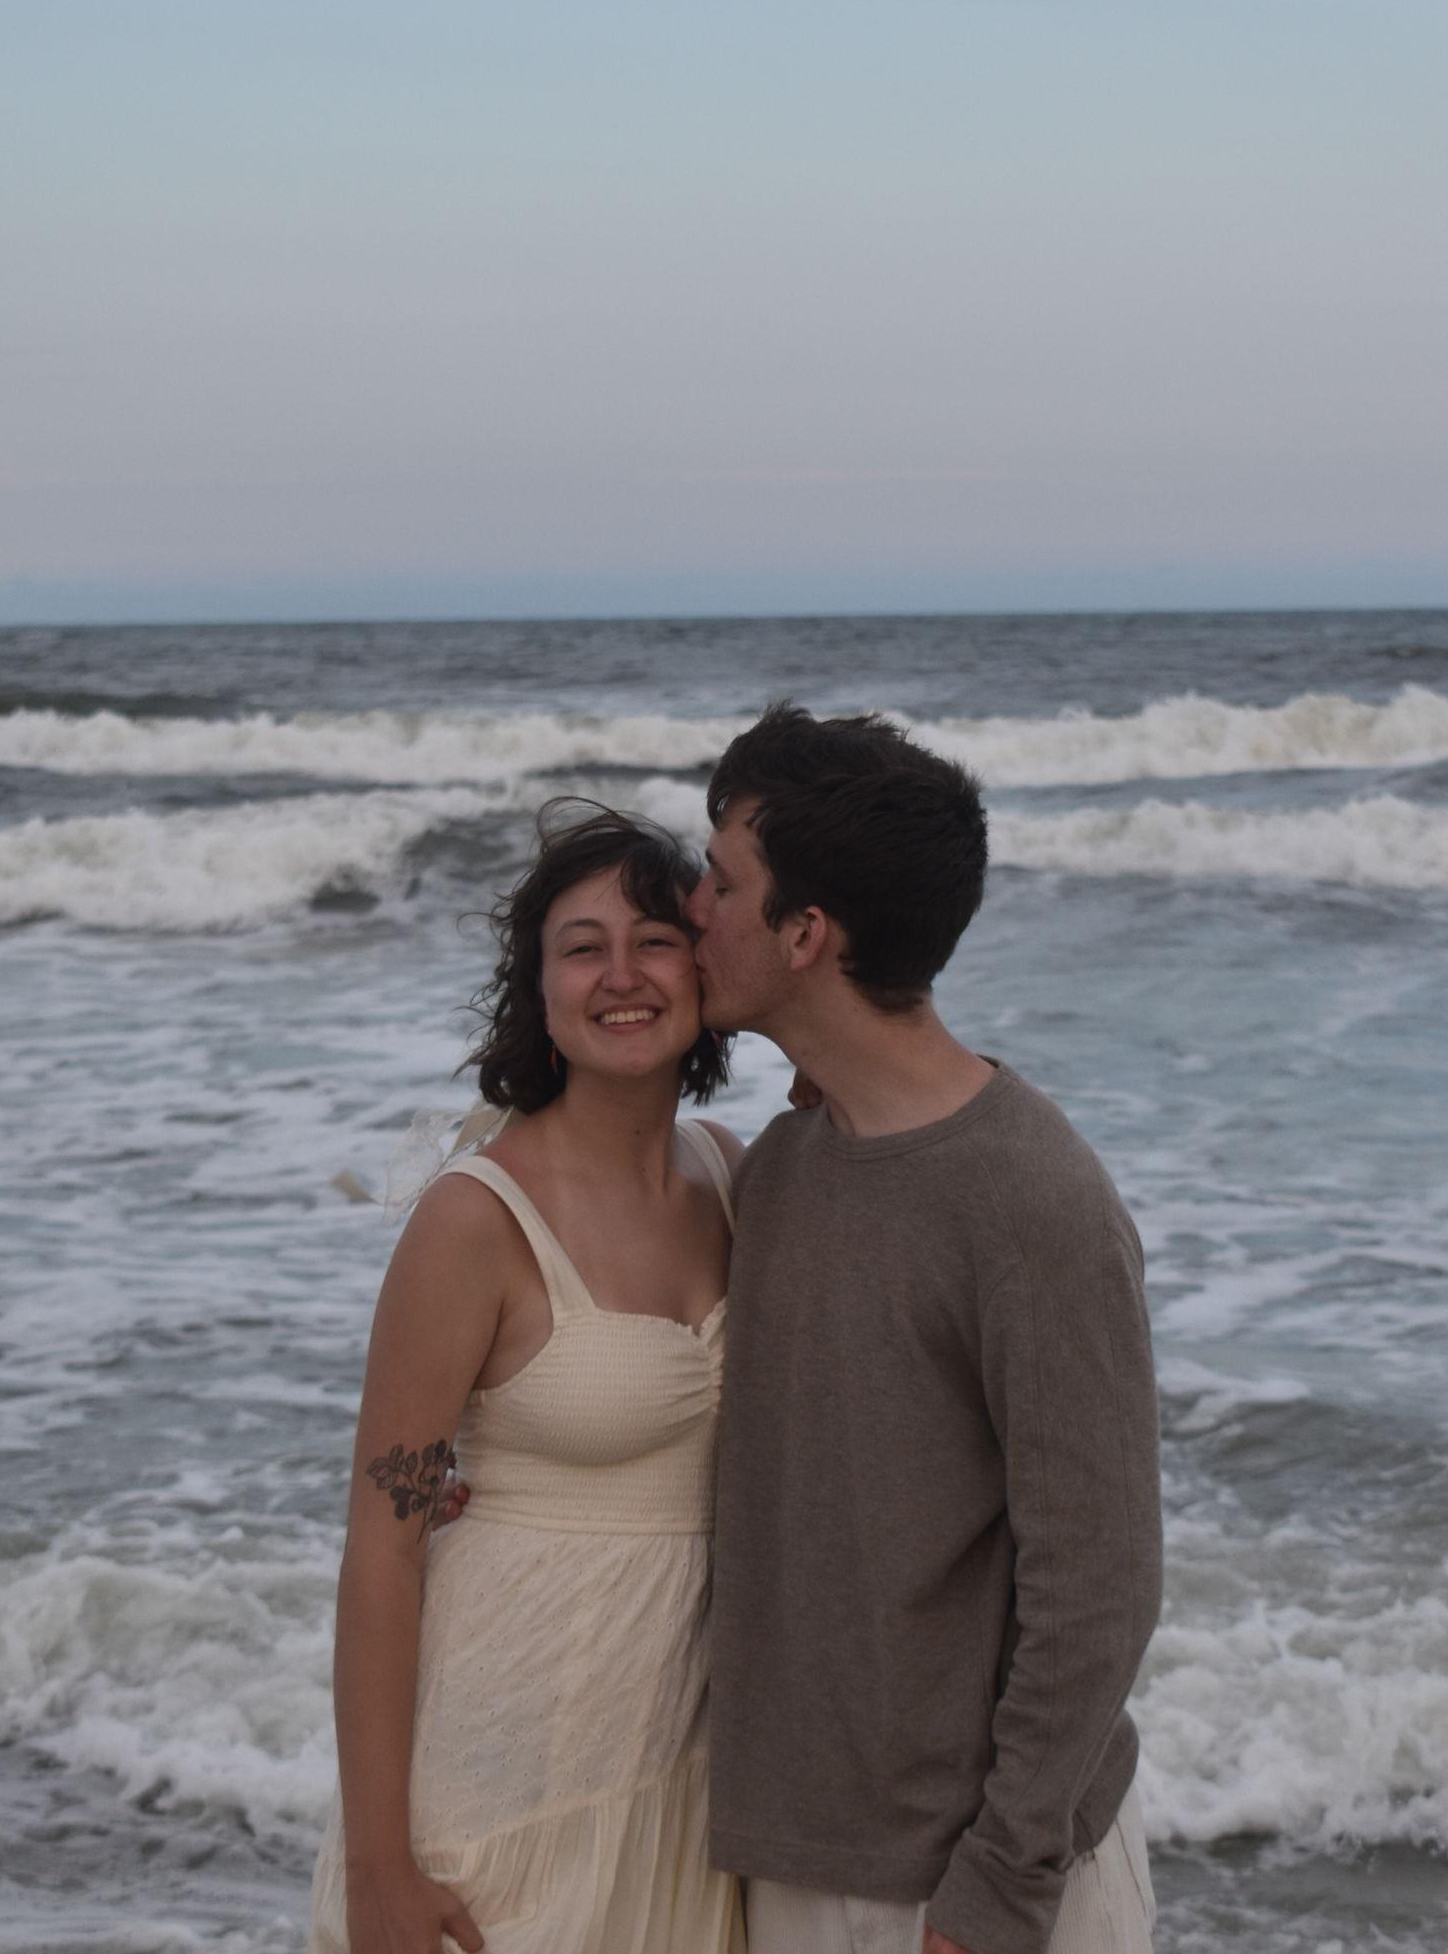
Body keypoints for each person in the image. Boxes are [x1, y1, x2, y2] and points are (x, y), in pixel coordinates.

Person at [687, 704, 1163, 1954]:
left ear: (803, 933)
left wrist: (997, 1887)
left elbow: (1098, 1583)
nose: (692, 907)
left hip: (973, 1888)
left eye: (719, 879)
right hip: (794, 1855)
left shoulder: (1032, 1200)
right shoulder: (788, 1164)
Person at [308, 802, 747, 1954]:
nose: (621, 974)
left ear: (701, 967)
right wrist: (378, 1866)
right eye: (580, 945)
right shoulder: (474, 1218)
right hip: (501, 1783)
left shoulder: (732, 1175)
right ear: (538, 991)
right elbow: (382, 1545)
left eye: (653, 938)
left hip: (682, 1790)